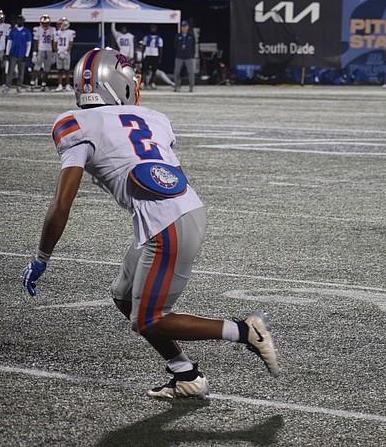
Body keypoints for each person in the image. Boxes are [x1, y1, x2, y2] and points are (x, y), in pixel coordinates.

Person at [19, 47, 280, 398]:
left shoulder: (75, 124)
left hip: (167, 225)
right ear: (119, 84)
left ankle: (245, 331)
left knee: (149, 318)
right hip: (178, 213)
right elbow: (177, 175)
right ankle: (186, 374)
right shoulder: (153, 118)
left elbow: (62, 203)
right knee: (124, 297)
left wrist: (41, 257)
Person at [141, 24, 175, 89]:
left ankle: (152, 83)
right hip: (147, 55)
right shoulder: (146, 37)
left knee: (154, 70)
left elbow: (160, 49)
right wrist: (143, 55)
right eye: (152, 28)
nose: (153, 29)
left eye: (154, 28)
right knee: (145, 70)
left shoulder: (159, 38)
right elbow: (143, 47)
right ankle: (143, 82)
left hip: (155, 55)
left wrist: (160, 57)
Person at [5, 15, 31, 92]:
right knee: (10, 71)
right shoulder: (12, 31)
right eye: (18, 20)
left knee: (21, 71)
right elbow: (9, 43)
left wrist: (26, 55)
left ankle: (19, 86)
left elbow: (28, 44)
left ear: (23, 21)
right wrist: (7, 53)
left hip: (22, 54)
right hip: (13, 54)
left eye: (21, 20)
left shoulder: (26, 31)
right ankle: (8, 85)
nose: (19, 21)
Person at [30, 13, 54, 91]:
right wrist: (34, 53)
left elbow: (54, 42)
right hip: (41, 49)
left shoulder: (52, 30)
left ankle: (43, 85)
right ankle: (32, 84)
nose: (45, 25)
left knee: (47, 69)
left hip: (49, 50)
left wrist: (54, 53)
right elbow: (35, 42)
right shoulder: (37, 29)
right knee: (37, 67)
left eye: (47, 23)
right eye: (44, 23)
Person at [53, 18, 75, 92]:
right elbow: (54, 44)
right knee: (59, 70)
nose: (59, 25)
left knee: (67, 70)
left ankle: (67, 85)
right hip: (59, 53)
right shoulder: (56, 33)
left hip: (66, 53)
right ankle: (60, 85)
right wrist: (58, 52)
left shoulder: (70, 32)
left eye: (60, 24)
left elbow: (70, 43)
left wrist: (66, 52)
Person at [174, 20, 196, 92]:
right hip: (179, 56)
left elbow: (193, 46)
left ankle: (191, 87)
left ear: (187, 27)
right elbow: (175, 45)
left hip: (188, 56)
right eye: (182, 27)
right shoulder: (178, 36)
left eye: (185, 26)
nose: (183, 28)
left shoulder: (191, 36)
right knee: (177, 71)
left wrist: (192, 54)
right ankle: (177, 86)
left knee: (190, 72)